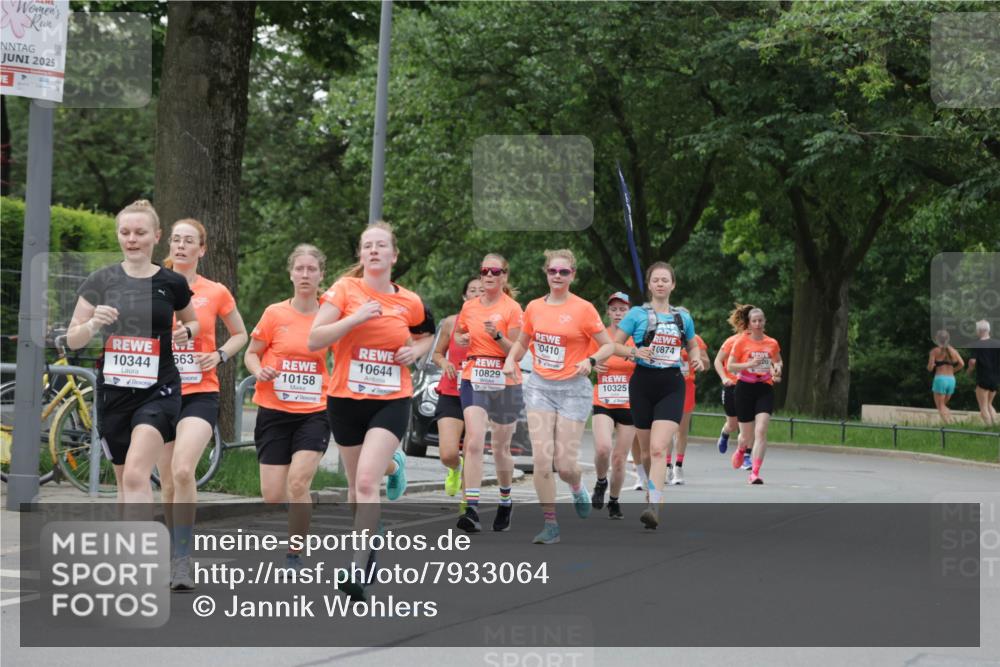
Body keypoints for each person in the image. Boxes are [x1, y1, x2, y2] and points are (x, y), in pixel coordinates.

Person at [308, 222, 435, 599]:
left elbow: (428, 333)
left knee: (366, 482)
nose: (375, 251)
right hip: (345, 398)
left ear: (394, 255)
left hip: (390, 399)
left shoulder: (409, 301)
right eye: (368, 246)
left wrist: (416, 350)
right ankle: (394, 466)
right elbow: (315, 338)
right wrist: (356, 318)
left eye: (382, 246)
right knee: (354, 488)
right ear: (361, 255)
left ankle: (357, 567)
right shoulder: (345, 290)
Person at [66, 200, 199, 505]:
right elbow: (73, 339)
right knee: (124, 480)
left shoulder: (172, 282)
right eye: (125, 232)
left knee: (136, 475)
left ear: (156, 235)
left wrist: (187, 331)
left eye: (140, 232)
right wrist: (92, 324)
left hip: (159, 389)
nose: (132, 239)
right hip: (114, 391)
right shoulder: (100, 280)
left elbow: (193, 321)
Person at [158, 218, 248, 591]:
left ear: (202, 249)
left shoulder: (216, 292)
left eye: (188, 241)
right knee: (165, 485)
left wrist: (222, 355)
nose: (180, 246)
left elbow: (242, 333)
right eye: (176, 239)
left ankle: (183, 560)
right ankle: (171, 553)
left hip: (200, 391)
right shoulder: (153, 284)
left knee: (182, 471)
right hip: (161, 391)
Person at [503, 249, 616, 544]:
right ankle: (550, 524)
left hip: (572, 391)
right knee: (542, 460)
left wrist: (590, 361)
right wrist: (510, 360)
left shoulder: (584, 309)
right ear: (546, 273)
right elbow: (522, 342)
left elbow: (608, 346)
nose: (557, 276)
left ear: (572, 275)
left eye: (563, 272)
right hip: (540, 387)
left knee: (564, 465)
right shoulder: (534, 308)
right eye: (553, 271)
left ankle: (576, 484)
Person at [244, 244, 332, 572]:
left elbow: (347, 352)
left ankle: (294, 554)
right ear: (291, 273)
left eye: (312, 269)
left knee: (298, 483)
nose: (305, 275)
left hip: (314, 411)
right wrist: (258, 371)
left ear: (321, 274)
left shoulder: (329, 316)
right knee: (272, 494)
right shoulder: (274, 314)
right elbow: (251, 353)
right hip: (273, 409)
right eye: (300, 269)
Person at [614, 262, 703, 529]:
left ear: (673, 285)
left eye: (666, 280)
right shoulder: (637, 314)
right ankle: (651, 489)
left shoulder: (682, 318)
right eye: (656, 280)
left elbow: (693, 344)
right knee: (644, 452)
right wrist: (633, 352)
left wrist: (696, 359)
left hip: (672, 384)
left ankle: (653, 505)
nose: (661, 284)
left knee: (658, 448)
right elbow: (613, 345)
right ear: (650, 285)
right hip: (642, 384)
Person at [454, 254, 523, 533]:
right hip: (474, 375)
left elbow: (517, 351)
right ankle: (471, 508)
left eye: (496, 271)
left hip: (505, 379)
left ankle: (505, 499)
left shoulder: (513, 308)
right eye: (485, 270)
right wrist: (463, 339)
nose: (489, 275)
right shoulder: (469, 307)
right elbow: (460, 335)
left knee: (500, 448)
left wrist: (497, 336)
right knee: (473, 442)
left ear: (505, 276)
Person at [431, 277, 483, 499]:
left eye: (482, 290)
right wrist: (445, 363)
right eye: (472, 290)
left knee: (472, 450)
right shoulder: (452, 322)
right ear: (464, 296)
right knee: (448, 453)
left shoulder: (493, 324)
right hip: (452, 391)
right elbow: (437, 353)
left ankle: (467, 504)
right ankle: (454, 467)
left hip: (480, 393)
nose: (477, 294)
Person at [590, 292, 636, 519]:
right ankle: (600, 481)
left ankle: (614, 501)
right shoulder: (600, 335)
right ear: (608, 312)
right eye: (614, 309)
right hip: (603, 400)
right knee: (602, 448)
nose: (618, 313)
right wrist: (593, 366)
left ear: (629, 312)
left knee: (619, 459)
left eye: (622, 309)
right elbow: (585, 359)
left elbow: (649, 364)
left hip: (629, 403)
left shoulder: (637, 336)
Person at [727, 307, 783, 485]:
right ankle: (742, 448)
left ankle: (755, 472)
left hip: (764, 388)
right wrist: (750, 363)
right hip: (744, 389)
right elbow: (730, 366)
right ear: (749, 323)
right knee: (746, 436)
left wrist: (778, 368)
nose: (758, 324)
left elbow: (778, 360)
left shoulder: (772, 343)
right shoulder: (741, 342)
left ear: (765, 322)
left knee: (761, 431)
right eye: (754, 321)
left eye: (761, 320)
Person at [668, 327, 707, 485]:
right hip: (667, 387)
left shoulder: (695, 339)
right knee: (666, 429)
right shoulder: (665, 337)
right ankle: (667, 466)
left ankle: (678, 466)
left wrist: (698, 361)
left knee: (681, 430)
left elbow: (707, 363)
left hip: (686, 388)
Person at [714, 305, 751, 467]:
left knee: (750, 424)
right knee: (733, 424)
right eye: (751, 321)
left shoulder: (762, 342)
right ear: (744, 322)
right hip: (732, 386)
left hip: (751, 386)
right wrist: (723, 378)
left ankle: (746, 455)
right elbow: (717, 361)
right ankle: (725, 433)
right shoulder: (732, 341)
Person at [966, 320, 999, 427]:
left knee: (983, 407)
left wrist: (969, 371)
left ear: (978, 331)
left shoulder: (977, 344)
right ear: (988, 330)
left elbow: (972, 361)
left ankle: (990, 429)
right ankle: (996, 428)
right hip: (995, 379)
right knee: (989, 404)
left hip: (983, 378)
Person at [927, 330, 964, 425]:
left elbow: (930, 368)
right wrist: (952, 371)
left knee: (940, 406)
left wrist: (931, 366)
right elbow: (962, 364)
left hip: (940, 379)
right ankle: (951, 422)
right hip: (951, 380)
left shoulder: (934, 351)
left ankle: (949, 425)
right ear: (948, 339)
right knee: (943, 405)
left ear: (937, 339)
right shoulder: (954, 351)